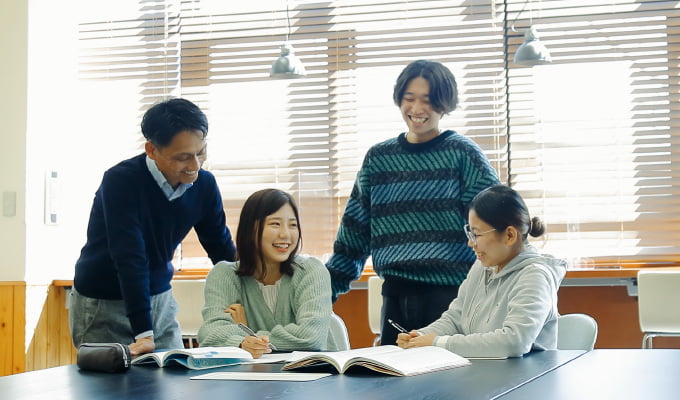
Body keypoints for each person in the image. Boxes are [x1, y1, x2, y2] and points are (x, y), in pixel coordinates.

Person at [326, 59, 499, 346]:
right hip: (395, 299)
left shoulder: (462, 154)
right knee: (392, 374)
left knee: (450, 375)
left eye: (428, 100)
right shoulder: (379, 159)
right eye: (410, 98)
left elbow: (497, 223)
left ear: (445, 104)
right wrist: (318, 299)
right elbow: (352, 240)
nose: (417, 109)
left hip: (453, 299)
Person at [69, 98, 236, 356]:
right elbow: (130, 256)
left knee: (176, 372)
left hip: (160, 296)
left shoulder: (204, 185)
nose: (195, 165)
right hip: (104, 300)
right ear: (151, 149)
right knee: (114, 380)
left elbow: (221, 247)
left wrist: (248, 293)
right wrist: (143, 332)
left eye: (200, 152)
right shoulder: (121, 181)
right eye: (183, 157)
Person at [396, 184, 566, 358]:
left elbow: (514, 342)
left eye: (477, 235)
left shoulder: (535, 276)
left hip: (526, 374)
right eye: (470, 234)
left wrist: (437, 343)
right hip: (482, 371)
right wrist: (420, 337)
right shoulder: (482, 267)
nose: (471, 243)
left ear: (509, 235)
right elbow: (455, 319)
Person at [198, 188, 337, 358]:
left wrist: (247, 334)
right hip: (252, 372)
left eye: (293, 225)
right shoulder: (224, 275)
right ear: (250, 229)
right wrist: (243, 341)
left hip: (314, 370)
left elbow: (310, 338)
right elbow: (209, 334)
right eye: (275, 224)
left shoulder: (311, 271)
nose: (285, 234)